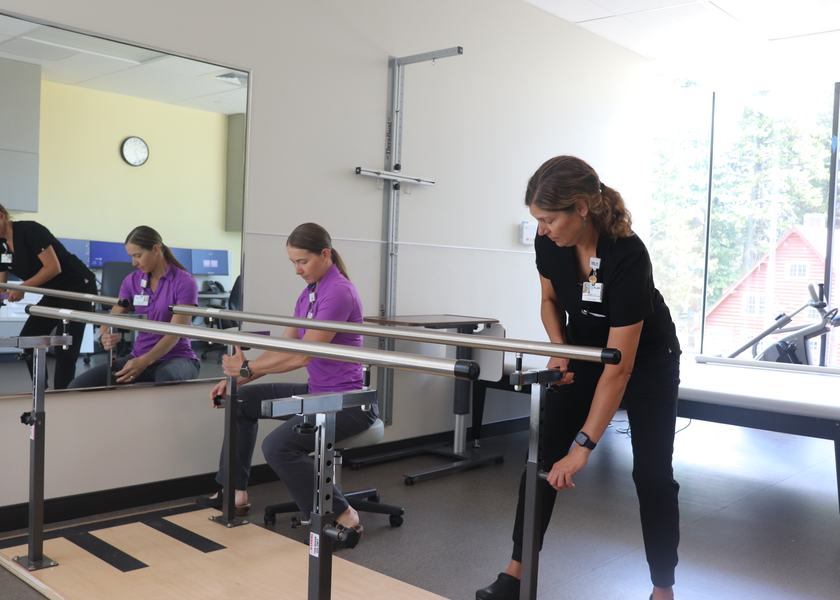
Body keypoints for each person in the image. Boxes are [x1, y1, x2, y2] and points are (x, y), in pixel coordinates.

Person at [475, 156, 681, 600]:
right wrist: (560, 352)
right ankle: (515, 572)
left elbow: (620, 366)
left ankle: (662, 589)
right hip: (584, 348)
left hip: (646, 360)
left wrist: (584, 448)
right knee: (542, 458)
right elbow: (550, 300)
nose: (543, 229)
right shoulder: (548, 242)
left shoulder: (628, 255)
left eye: (549, 219)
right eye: (538, 220)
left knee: (652, 474)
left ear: (581, 208)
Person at [198, 222, 373, 544]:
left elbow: (301, 358)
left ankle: (343, 514)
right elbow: (284, 348)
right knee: (241, 402)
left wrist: (246, 367)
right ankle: (235, 493)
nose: (296, 270)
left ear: (325, 254)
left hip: (347, 402)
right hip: (318, 392)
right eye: (292, 262)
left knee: (277, 447)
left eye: (302, 261)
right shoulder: (311, 293)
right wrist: (237, 379)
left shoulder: (338, 292)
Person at [68, 226, 200, 388]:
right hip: (139, 357)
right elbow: (111, 319)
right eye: (131, 256)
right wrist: (104, 336)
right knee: (78, 386)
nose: (134, 262)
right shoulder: (132, 281)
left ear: (156, 249)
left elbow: (175, 335)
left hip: (176, 358)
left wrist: (144, 361)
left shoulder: (184, 282)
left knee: (166, 379)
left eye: (138, 256)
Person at [0, 204, 98, 389]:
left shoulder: (30, 230)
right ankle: (41, 390)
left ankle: (62, 394)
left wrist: (23, 287)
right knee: (28, 339)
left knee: (65, 347)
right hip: (53, 292)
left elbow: (53, 268)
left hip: (77, 286)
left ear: (2, 216)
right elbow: (2, 285)